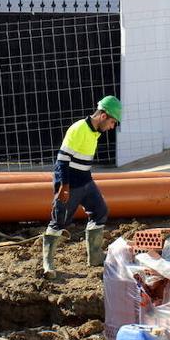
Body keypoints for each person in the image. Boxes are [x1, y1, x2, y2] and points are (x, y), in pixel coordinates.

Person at [41, 95, 122, 277]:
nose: (112, 127)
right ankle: (48, 263)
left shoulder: (95, 133)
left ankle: (94, 257)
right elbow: (62, 161)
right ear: (103, 116)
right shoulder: (78, 129)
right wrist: (64, 187)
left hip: (86, 181)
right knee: (59, 221)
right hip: (70, 185)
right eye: (112, 122)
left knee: (100, 212)